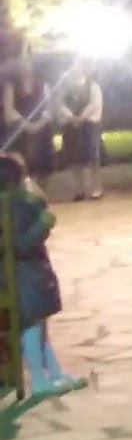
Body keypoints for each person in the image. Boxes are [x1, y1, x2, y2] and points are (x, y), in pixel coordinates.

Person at [1, 152, 85, 398]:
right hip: (25, 275)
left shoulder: (12, 204)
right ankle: (39, 379)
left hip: (22, 274)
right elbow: (21, 245)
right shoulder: (18, 207)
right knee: (32, 327)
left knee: (38, 326)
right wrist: (43, 224)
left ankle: (55, 373)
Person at [4, 55, 56, 192]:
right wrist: (28, 125)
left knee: (46, 167)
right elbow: (9, 111)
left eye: (27, 62)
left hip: (42, 127)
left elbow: (49, 106)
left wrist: (41, 122)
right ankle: (28, 195)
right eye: (21, 62)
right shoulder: (11, 85)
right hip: (20, 130)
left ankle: (40, 194)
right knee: (26, 166)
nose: (25, 65)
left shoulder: (42, 82)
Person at [56, 63, 104, 202]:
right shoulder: (64, 89)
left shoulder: (93, 86)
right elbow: (60, 104)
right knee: (74, 159)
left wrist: (81, 118)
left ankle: (96, 187)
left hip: (89, 125)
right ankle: (79, 189)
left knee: (92, 157)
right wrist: (71, 118)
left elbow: (94, 104)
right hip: (71, 126)